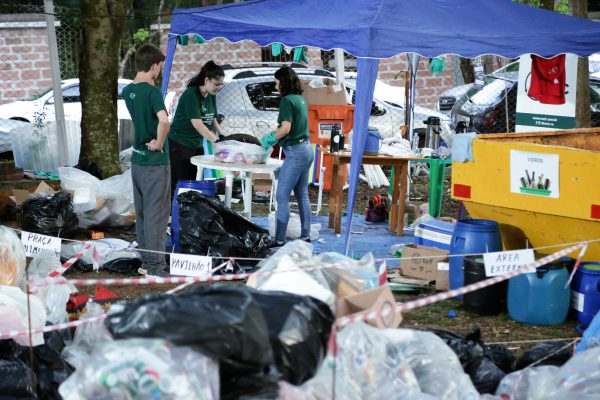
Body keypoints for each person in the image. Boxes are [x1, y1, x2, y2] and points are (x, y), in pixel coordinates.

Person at [122, 44, 171, 277]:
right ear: (153, 66)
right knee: (157, 216)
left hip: (138, 161)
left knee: (142, 214)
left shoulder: (128, 91)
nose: (159, 72)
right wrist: (160, 143)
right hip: (155, 162)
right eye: (159, 68)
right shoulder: (153, 93)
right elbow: (164, 121)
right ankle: (156, 268)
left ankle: (146, 262)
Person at [261, 66, 314, 245]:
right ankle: (306, 235)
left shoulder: (286, 101)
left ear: (282, 82)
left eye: (276, 82)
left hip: (296, 152)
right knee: (302, 194)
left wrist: (271, 138)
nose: (275, 86)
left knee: (282, 196)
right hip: (307, 149)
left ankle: (279, 239)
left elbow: (285, 129)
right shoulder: (300, 99)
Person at [168, 61, 225, 197]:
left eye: (221, 85)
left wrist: (223, 136)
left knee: (193, 182)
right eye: (217, 84)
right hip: (179, 143)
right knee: (179, 184)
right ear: (206, 80)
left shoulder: (211, 95)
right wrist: (215, 141)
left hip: (196, 144)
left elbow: (212, 118)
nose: (219, 87)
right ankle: (173, 214)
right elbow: (197, 124)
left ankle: (188, 214)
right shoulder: (190, 94)